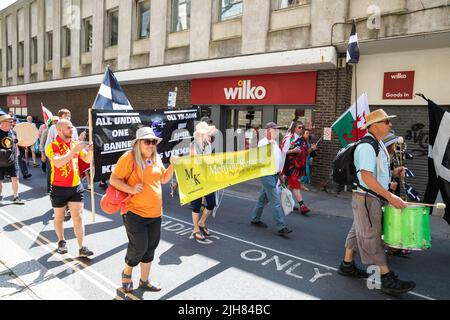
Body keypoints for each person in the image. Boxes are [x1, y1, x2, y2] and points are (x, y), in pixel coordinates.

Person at [337, 109, 416, 295]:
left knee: (358, 231)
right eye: (386, 121)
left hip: (368, 197)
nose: (390, 124)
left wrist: (394, 173)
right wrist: (390, 196)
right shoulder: (367, 146)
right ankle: (387, 279)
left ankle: (347, 265)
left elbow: (376, 174)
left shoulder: (378, 144)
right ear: (375, 126)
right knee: (372, 237)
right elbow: (366, 177)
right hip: (367, 198)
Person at [110, 127, 174, 293]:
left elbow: (164, 179)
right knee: (139, 246)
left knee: (151, 247)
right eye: (147, 141)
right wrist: (130, 189)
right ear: (138, 143)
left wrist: (173, 166)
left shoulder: (156, 158)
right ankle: (127, 271)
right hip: (134, 211)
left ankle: (144, 281)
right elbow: (114, 179)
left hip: (155, 212)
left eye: (153, 141)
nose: (151, 145)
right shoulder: (129, 157)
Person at [46, 119, 94, 257]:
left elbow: (87, 160)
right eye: (69, 127)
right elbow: (58, 163)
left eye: (72, 126)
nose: (72, 129)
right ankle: (61, 241)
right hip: (58, 188)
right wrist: (74, 150)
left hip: (75, 187)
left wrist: (89, 151)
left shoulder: (75, 144)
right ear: (60, 130)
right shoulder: (52, 146)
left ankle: (82, 247)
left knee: (78, 217)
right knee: (59, 217)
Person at [250, 122, 292, 237]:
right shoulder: (263, 143)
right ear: (268, 130)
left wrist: (280, 175)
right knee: (275, 202)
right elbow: (262, 160)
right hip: (267, 175)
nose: (277, 132)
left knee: (262, 199)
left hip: (274, 175)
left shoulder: (274, 143)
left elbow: (277, 160)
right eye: (275, 130)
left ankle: (255, 218)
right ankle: (281, 226)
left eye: (277, 130)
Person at [45, 109, 78, 221]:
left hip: (72, 157)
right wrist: (49, 156)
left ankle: (69, 207)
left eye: (69, 115)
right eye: (66, 115)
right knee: (54, 175)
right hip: (57, 155)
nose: (68, 116)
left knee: (71, 179)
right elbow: (49, 142)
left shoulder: (73, 128)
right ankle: (53, 194)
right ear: (60, 116)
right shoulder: (53, 128)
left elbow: (76, 141)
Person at [189, 122, 218, 241]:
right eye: (207, 133)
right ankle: (195, 229)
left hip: (207, 178)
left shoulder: (208, 144)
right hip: (196, 178)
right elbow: (194, 161)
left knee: (211, 203)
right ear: (201, 134)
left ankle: (202, 223)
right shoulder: (193, 145)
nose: (209, 135)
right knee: (196, 204)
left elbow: (210, 160)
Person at [281, 121, 314, 215]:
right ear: (294, 128)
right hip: (289, 165)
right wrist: (293, 150)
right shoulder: (289, 138)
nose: (301, 129)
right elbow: (283, 151)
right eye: (299, 127)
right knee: (295, 183)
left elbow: (304, 153)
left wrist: (311, 149)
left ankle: (286, 203)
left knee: (291, 185)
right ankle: (302, 205)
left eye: (302, 127)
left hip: (297, 165)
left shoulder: (300, 139)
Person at [0, 114, 25, 205]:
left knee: (15, 178)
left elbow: (15, 143)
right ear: (2, 123)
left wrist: (17, 153)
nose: (12, 123)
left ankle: (16, 197)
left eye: (12, 121)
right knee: (0, 180)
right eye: (10, 122)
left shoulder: (13, 132)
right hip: (0, 161)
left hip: (12, 160)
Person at [40, 116, 59, 194]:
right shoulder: (46, 131)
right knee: (50, 171)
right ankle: (49, 189)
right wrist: (43, 154)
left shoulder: (60, 130)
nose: (55, 122)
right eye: (54, 121)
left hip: (58, 155)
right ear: (51, 122)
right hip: (49, 154)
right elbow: (42, 143)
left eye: (57, 121)